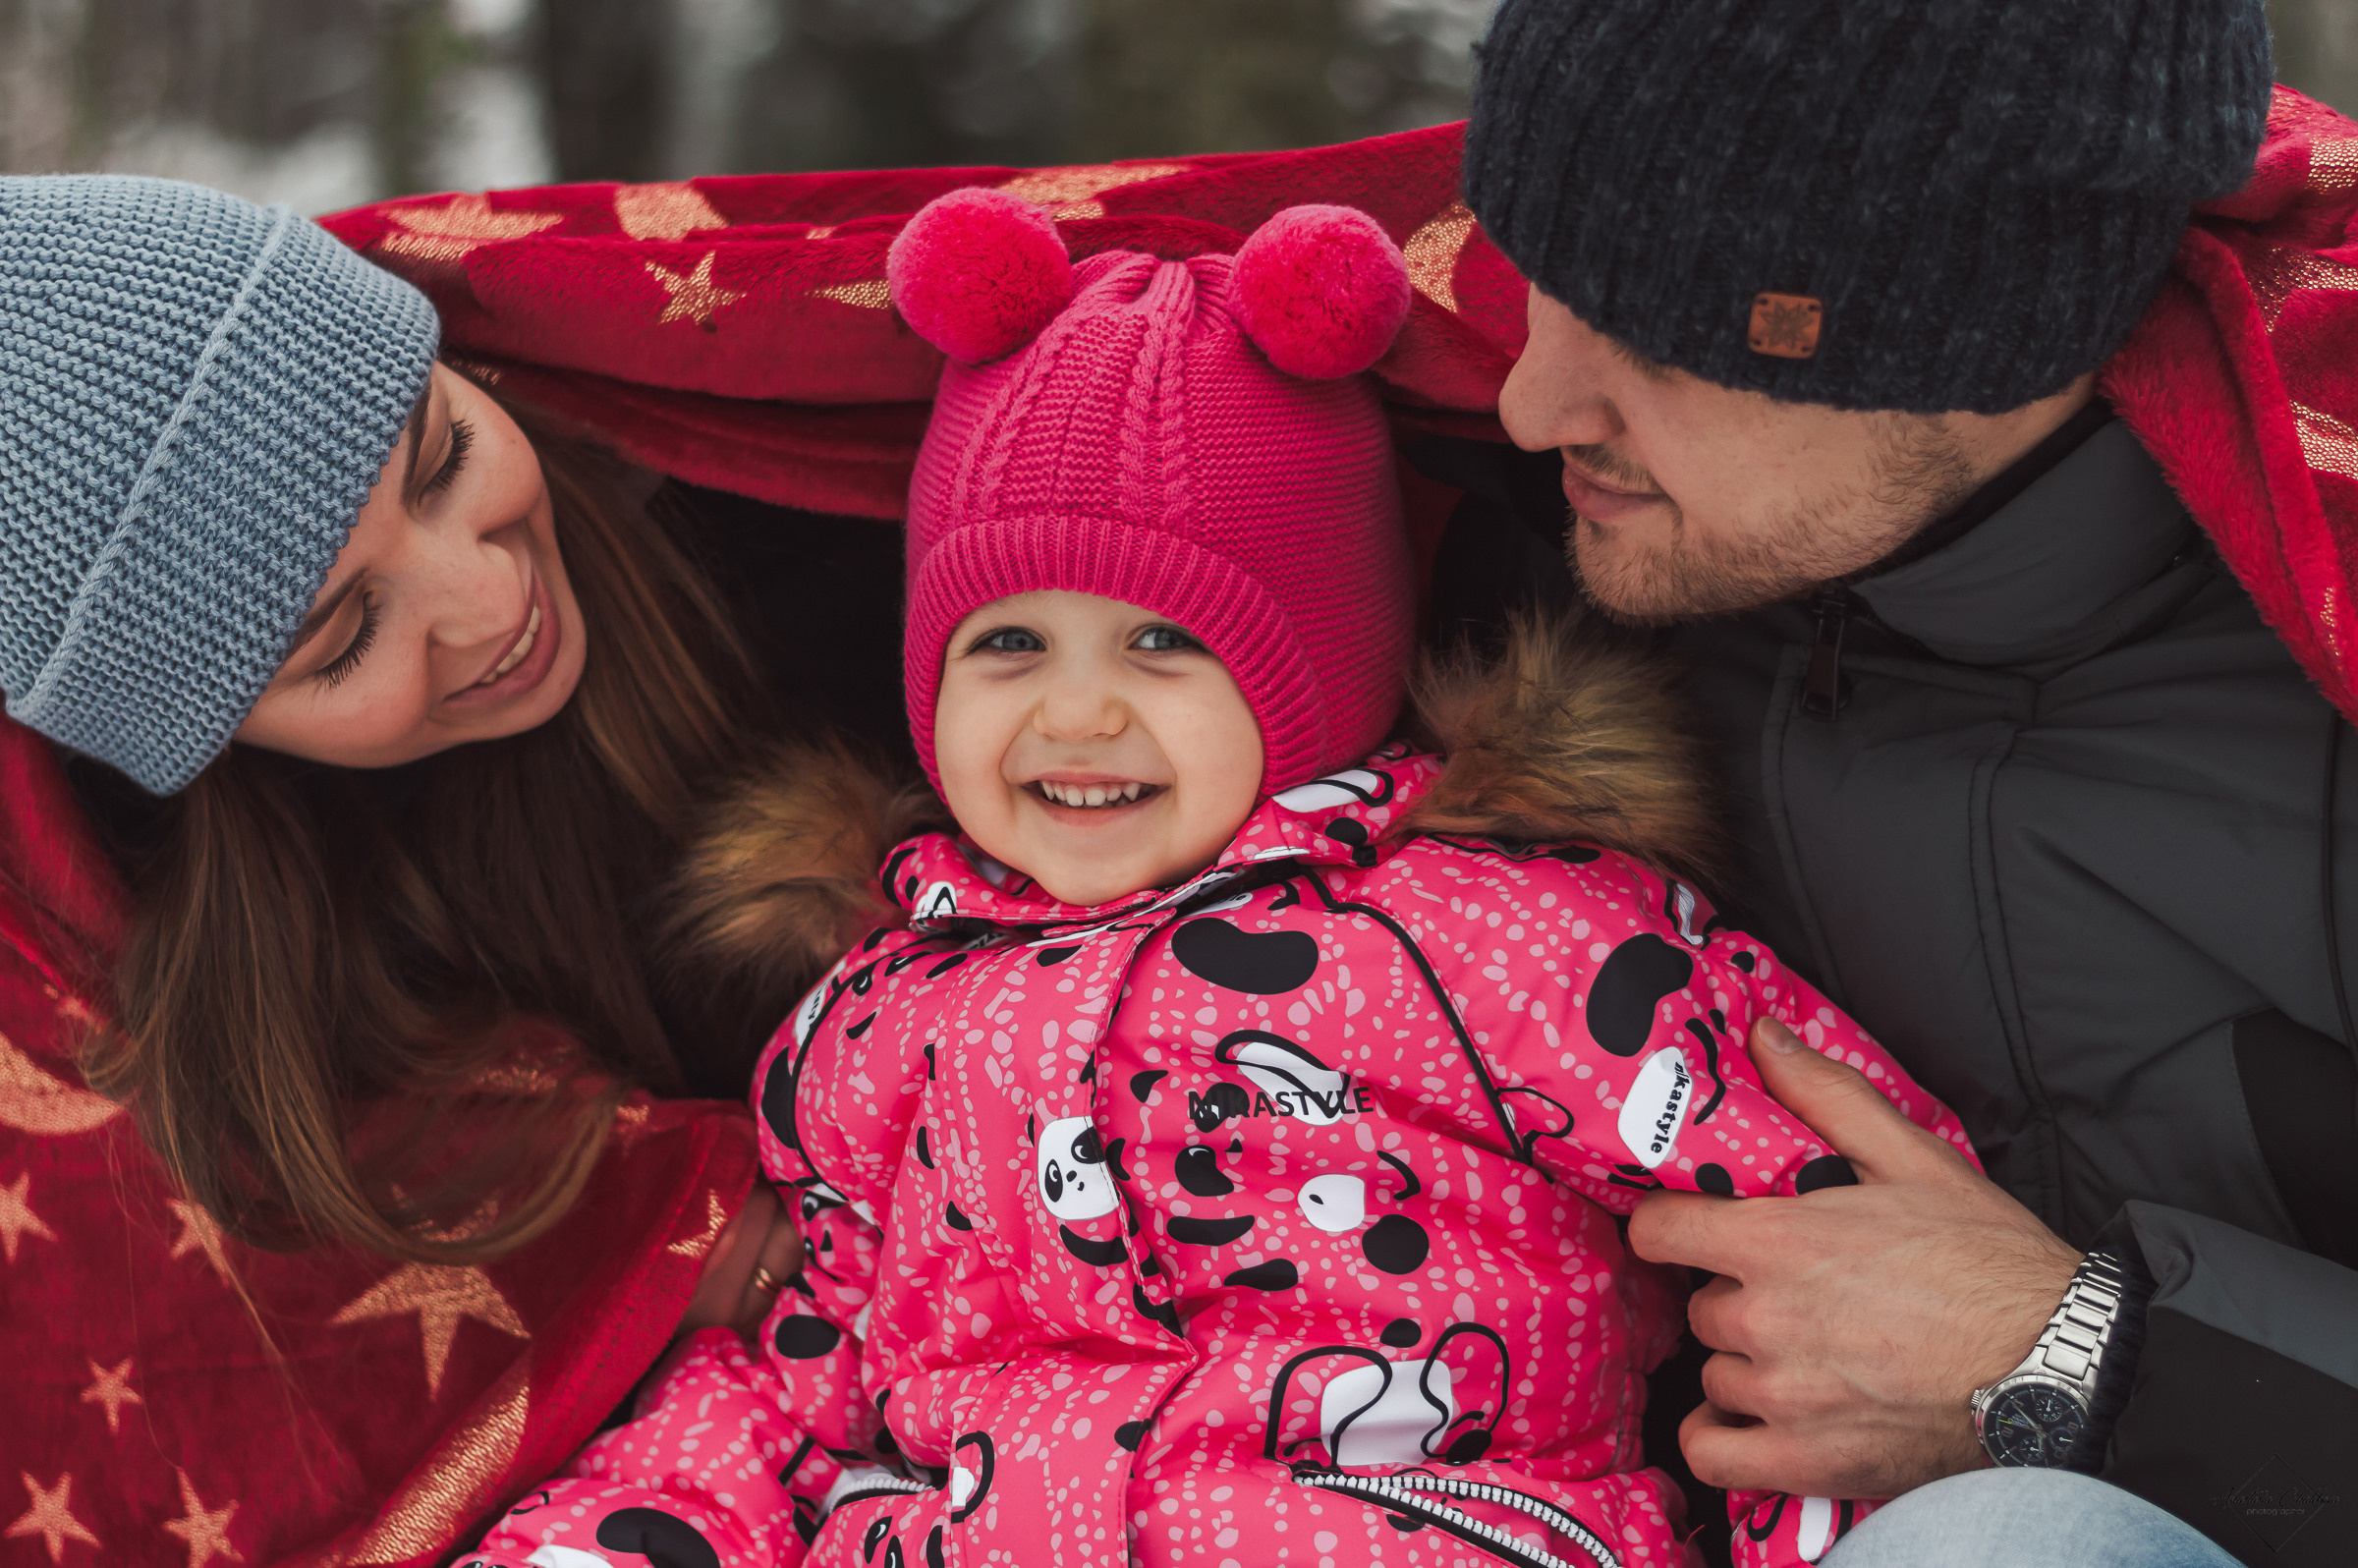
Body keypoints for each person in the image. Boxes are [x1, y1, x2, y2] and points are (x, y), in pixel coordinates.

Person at [463, 189, 1974, 1568]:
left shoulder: (1509, 940)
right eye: (1008, 646)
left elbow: (1823, 1249)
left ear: (1317, 665)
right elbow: (810, 1372)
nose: (1073, 714)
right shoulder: (868, 1014)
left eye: (1164, 644)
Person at [1451, 1, 2349, 1565]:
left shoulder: (2312, 664)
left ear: (1983, 348)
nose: (1532, 404)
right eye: (1537, 270)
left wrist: (2074, 1360)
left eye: (1662, 339)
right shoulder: (1531, 541)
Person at [0, 174, 814, 1552]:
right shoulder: (241, 1025)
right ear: (208, 744)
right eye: (341, 640)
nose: (488, 599)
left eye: (440, 458)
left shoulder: (802, 520)